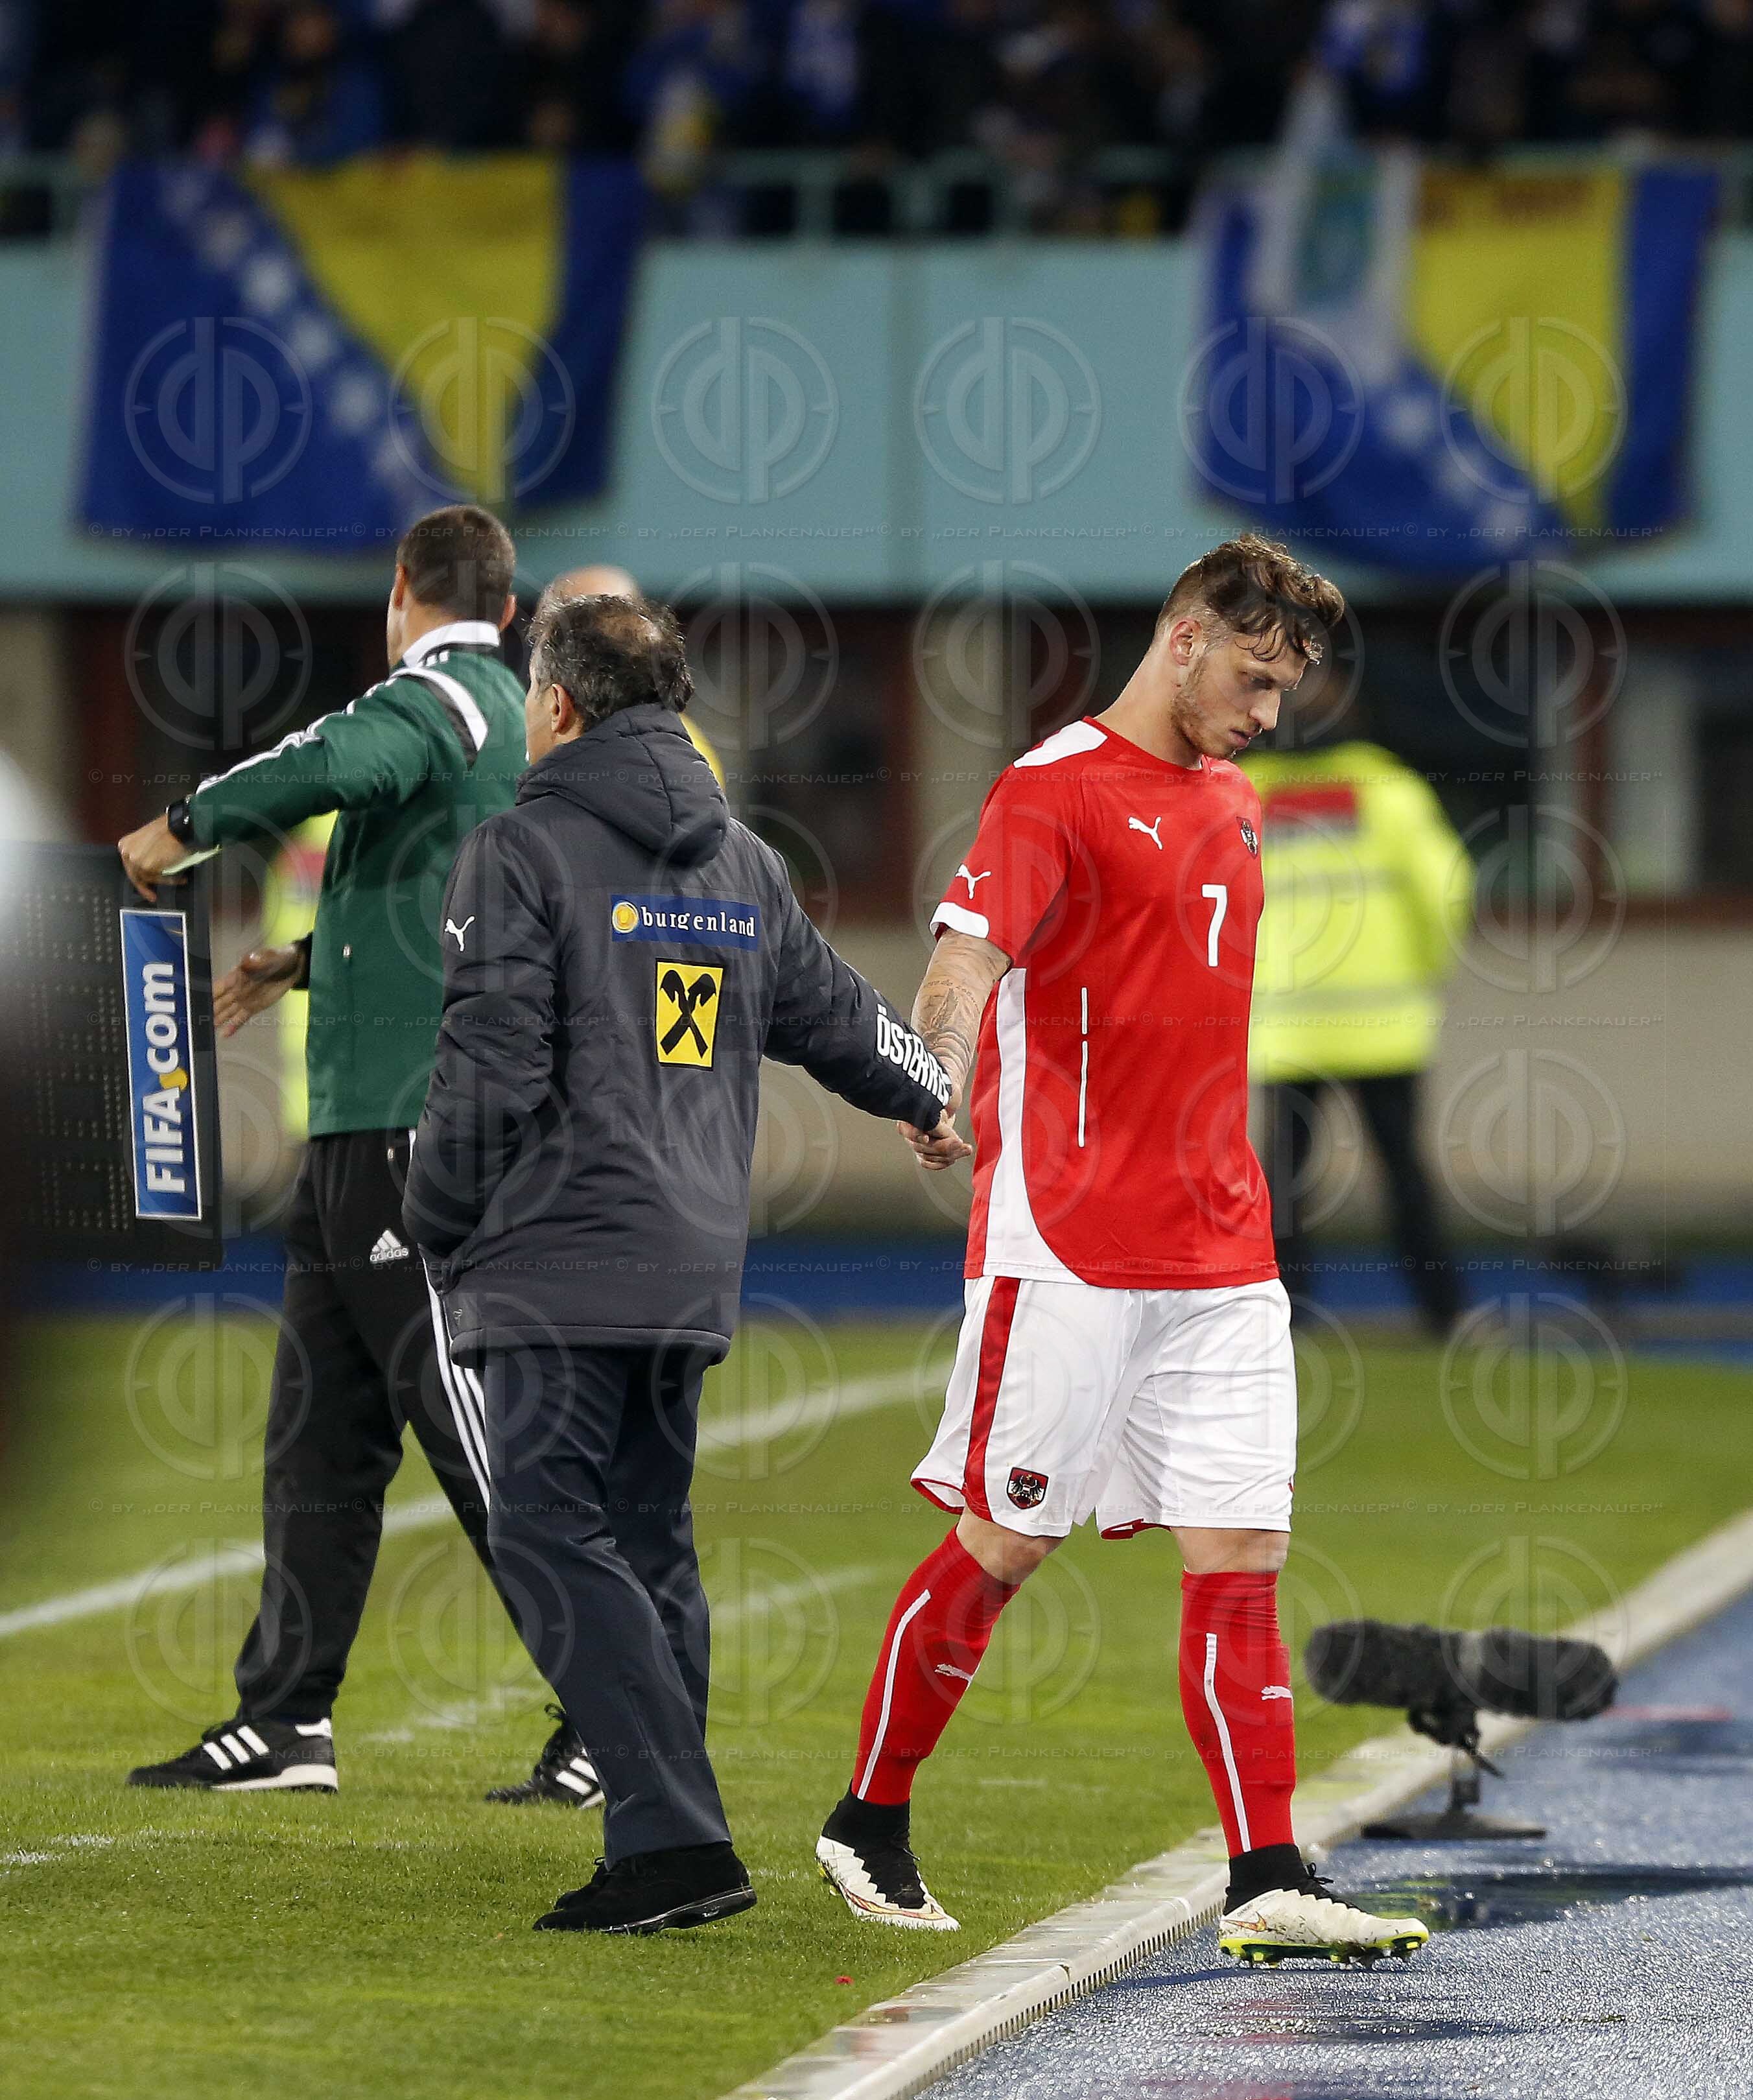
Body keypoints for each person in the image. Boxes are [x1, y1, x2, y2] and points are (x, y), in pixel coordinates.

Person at [813, 534, 1429, 1968]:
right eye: (1257, 677)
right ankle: (868, 1813)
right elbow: (964, 958)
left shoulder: (1230, 798)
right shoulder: (1052, 785)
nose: (1270, 713)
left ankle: (1265, 1870)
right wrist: (935, 1069)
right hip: (1070, 1239)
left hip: (1222, 1246)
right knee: (1006, 1537)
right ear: (1183, 637)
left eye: (1288, 688)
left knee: (1240, 1552)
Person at [402, 590, 956, 1936]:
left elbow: (492, 1062)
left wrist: (428, 1203)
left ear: (556, 704)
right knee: (648, 1537)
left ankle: (670, 1836)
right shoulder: (742, 862)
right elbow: (835, 1013)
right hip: (689, 1259)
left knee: (547, 1526)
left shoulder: (518, 846)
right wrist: (931, 1094)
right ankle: (664, 1833)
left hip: (554, 1251)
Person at [115, 504, 602, 1811]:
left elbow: (345, 755)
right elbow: (445, 900)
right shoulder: (510, 709)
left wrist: (180, 824)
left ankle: (612, 1703)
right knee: (320, 1434)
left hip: (410, 1125)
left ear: (403, 592)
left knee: (469, 1420)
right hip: (365, 1125)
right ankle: (286, 1716)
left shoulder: (444, 694)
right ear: (506, 604)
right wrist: (308, 955)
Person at [1241, 714, 1472, 1338]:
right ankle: (1443, 1312)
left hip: (1289, 1026)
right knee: (1404, 1172)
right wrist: (1427, 969)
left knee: (1284, 1179)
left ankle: (1280, 1314)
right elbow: (1449, 889)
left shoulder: (1245, 795)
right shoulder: (1391, 795)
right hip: (1383, 1023)